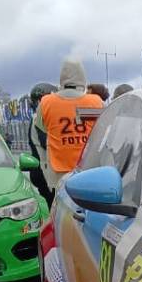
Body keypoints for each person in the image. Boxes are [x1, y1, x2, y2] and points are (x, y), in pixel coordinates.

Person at [34, 58, 104, 191]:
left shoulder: (47, 102)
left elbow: (42, 127)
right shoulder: (95, 102)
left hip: (59, 171)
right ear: (83, 77)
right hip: (88, 168)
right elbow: (101, 129)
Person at [27, 82, 57, 204]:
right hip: (47, 174)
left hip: (47, 171)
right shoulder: (39, 118)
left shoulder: (44, 117)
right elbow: (50, 143)